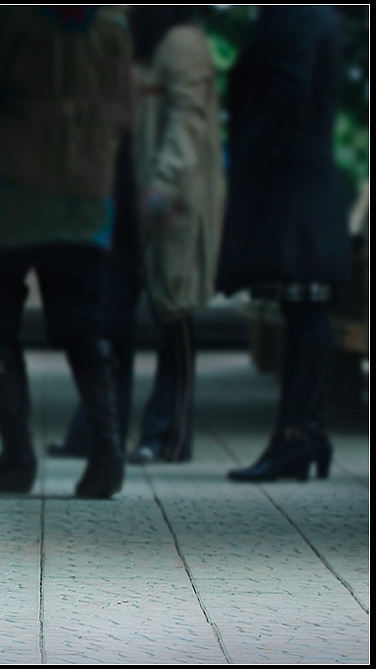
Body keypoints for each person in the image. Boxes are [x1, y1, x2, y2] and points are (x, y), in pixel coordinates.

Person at [0, 6, 133, 499]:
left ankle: (17, 457)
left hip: (6, 199)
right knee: (84, 326)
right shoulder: (111, 28)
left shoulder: (11, 19)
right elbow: (123, 113)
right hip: (82, 199)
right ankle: (106, 452)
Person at [48, 6, 225, 465]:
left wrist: (165, 182)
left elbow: (188, 121)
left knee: (174, 315)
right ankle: (97, 428)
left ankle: (168, 434)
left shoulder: (181, 41)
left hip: (167, 205)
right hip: (123, 202)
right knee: (108, 318)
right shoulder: (131, 39)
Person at [218, 6, 351, 483]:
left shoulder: (297, 14)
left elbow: (284, 95)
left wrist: (248, 157)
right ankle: (305, 432)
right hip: (299, 179)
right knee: (304, 311)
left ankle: (295, 436)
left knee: (304, 310)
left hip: (292, 181)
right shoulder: (312, 13)